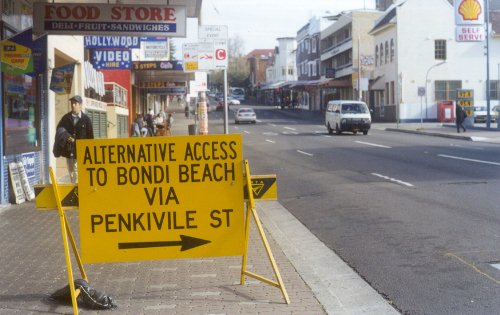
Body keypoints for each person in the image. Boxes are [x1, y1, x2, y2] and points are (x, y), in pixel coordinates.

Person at [56, 95, 94, 183]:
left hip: (81, 152)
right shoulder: (66, 118)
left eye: (75, 103)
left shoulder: (86, 120)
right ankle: (75, 192)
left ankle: (79, 194)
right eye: (72, 103)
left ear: (80, 105)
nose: (73, 105)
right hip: (69, 151)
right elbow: (59, 130)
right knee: (71, 173)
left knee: (78, 173)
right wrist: (67, 136)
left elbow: (91, 137)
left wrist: (90, 153)